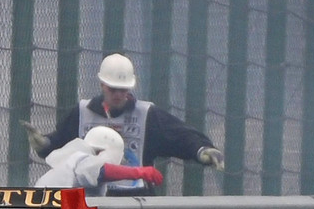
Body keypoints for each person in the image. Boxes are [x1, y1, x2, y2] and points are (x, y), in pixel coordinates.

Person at [23, 53, 224, 196]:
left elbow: (180, 136)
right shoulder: (82, 112)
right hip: (91, 199)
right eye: (113, 89)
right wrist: (45, 144)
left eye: (123, 89)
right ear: (102, 85)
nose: (119, 94)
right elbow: (61, 145)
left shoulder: (146, 115)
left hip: (135, 198)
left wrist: (202, 149)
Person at [34, 126, 164, 195]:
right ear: (100, 152)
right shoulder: (82, 160)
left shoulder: (68, 164)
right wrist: (138, 172)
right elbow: (98, 170)